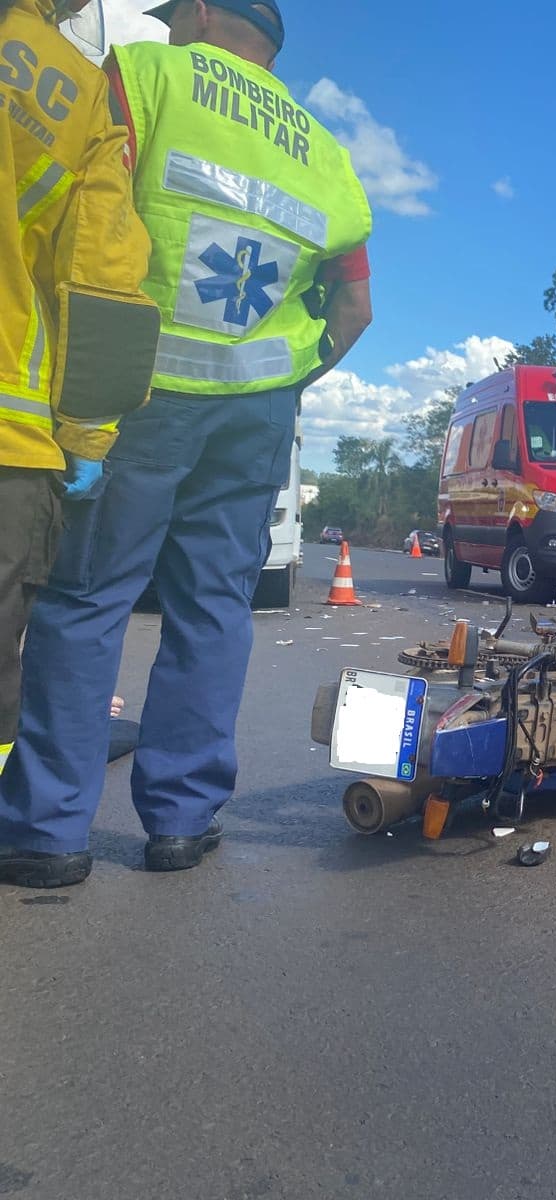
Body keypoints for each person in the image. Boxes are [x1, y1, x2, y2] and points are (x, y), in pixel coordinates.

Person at [0, 0, 373, 888]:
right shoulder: (328, 153)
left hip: (137, 388)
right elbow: (356, 309)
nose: (166, 26)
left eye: (173, 16)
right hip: (257, 411)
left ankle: (48, 833)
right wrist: (284, 380)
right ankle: (181, 822)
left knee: (88, 600)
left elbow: (87, 227)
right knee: (213, 610)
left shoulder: (142, 77)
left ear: (203, 12)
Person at [0, 0, 161, 888]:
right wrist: (88, 434)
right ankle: (34, 832)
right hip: (10, 443)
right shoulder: (74, 89)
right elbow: (99, 280)